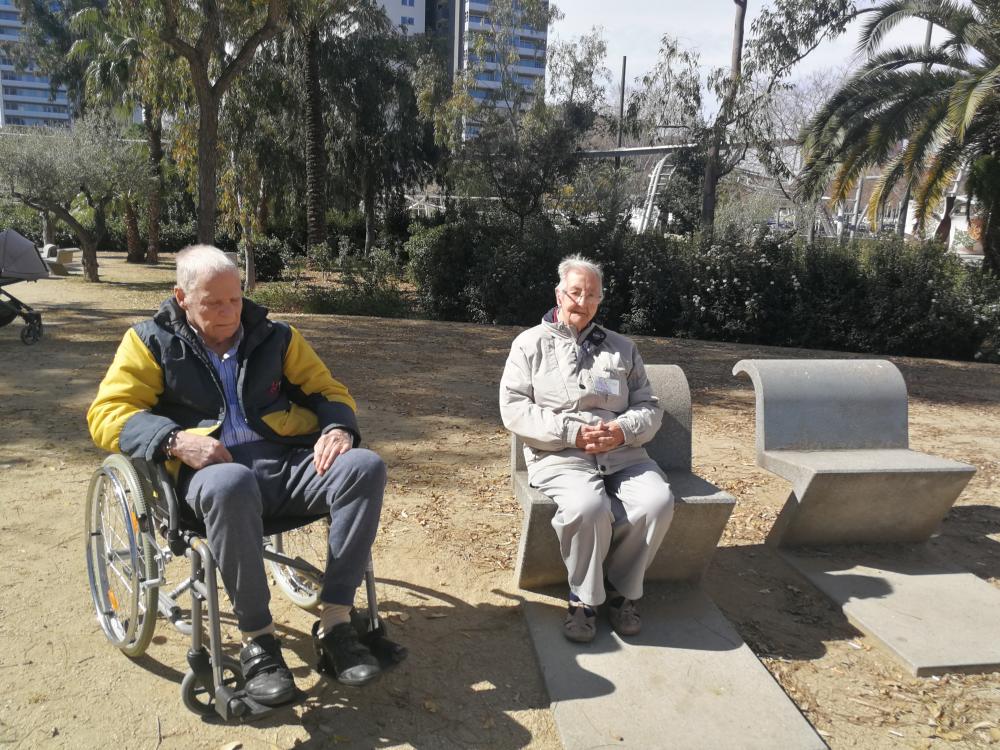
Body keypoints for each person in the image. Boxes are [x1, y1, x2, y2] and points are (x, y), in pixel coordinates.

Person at [88, 244, 385, 706]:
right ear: (182, 297)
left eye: (235, 299)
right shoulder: (150, 342)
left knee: (364, 467)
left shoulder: (275, 337)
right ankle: (259, 641)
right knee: (232, 482)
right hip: (206, 477)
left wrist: (338, 427)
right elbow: (108, 413)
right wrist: (174, 440)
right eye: (213, 303)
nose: (229, 312)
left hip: (282, 465)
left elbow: (328, 390)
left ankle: (336, 624)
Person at [499, 255, 675, 643]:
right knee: (588, 507)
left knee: (656, 501)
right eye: (575, 292)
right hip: (559, 455)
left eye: (591, 295)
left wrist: (622, 430)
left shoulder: (622, 348)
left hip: (623, 453)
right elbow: (514, 409)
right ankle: (583, 598)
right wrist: (572, 434)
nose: (582, 301)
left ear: (599, 301)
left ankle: (622, 591)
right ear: (559, 294)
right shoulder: (529, 344)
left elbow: (649, 406)